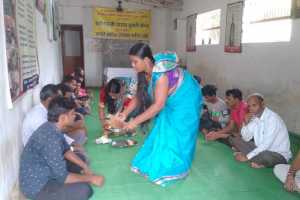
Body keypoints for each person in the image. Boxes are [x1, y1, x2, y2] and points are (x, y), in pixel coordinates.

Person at [117, 43, 202, 186]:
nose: (132, 65)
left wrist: (134, 122)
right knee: (164, 127)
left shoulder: (161, 74)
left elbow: (158, 105)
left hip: (186, 97)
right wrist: (124, 114)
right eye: (131, 61)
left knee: (179, 130)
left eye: (135, 61)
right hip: (170, 97)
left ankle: (179, 160)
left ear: (146, 61)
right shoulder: (144, 72)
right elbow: (139, 96)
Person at [20, 97, 104, 200]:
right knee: (84, 190)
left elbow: (66, 151)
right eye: (72, 113)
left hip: (47, 171)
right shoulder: (50, 138)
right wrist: (91, 178)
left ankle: (77, 176)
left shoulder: (52, 127)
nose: (74, 116)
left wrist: (85, 167)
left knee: (80, 159)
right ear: (63, 118)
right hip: (38, 187)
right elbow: (63, 177)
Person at [232, 93, 292, 168]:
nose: (251, 109)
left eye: (254, 105)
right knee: (236, 140)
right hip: (260, 149)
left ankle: (254, 159)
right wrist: (245, 122)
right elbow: (245, 137)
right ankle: (257, 160)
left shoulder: (272, 119)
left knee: (265, 157)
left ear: (263, 104)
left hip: (277, 154)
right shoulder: (255, 117)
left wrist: (247, 157)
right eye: (249, 106)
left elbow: (266, 145)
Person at [96, 77, 137, 144]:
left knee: (123, 120)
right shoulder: (105, 90)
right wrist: (103, 122)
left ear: (122, 90)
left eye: (115, 96)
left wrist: (116, 119)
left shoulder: (131, 89)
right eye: (111, 96)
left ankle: (128, 129)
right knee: (110, 117)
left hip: (130, 99)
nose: (113, 98)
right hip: (122, 96)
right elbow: (101, 107)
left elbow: (125, 111)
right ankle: (115, 129)